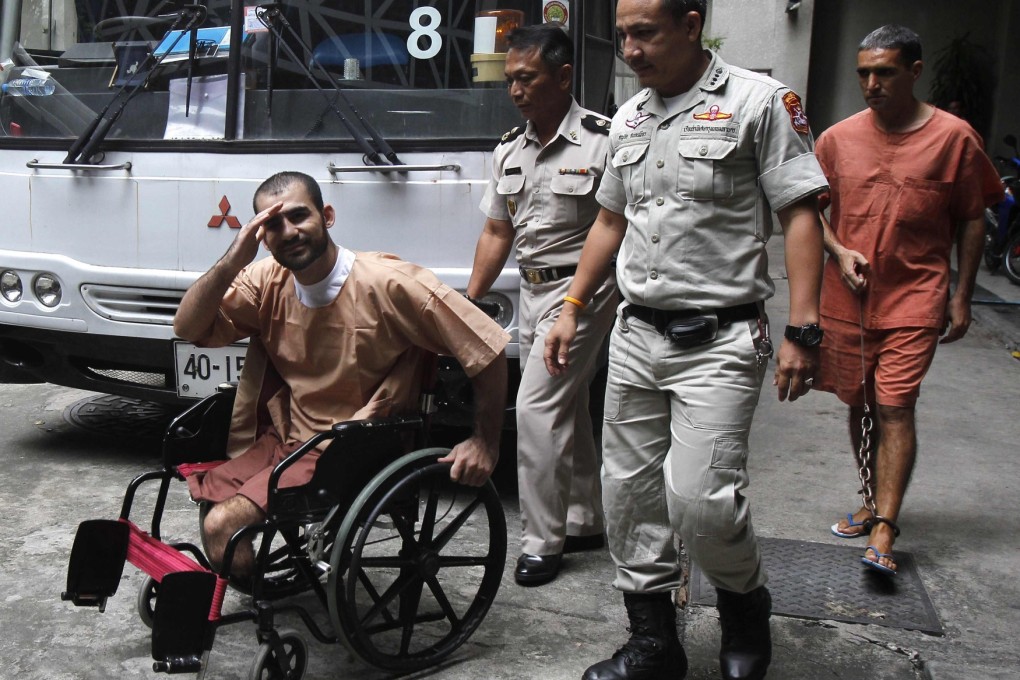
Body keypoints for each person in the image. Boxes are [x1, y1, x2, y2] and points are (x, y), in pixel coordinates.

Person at [543, 1, 828, 678]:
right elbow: (610, 221)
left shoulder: (759, 103)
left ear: (692, 25)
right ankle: (654, 643)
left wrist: (804, 328)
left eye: (646, 32)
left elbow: (798, 215)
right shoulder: (631, 118)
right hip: (636, 334)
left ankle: (743, 609)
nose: (631, 49)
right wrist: (572, 306)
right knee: (630, 497)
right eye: (623, 36)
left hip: (721, 338)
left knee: (702, 501)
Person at [173, 171, 510, 577]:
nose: (289, 231)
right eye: (272, 225)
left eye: (299, 216)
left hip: (353, 447)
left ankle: (262, 610)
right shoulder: (266, 280)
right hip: (288, 438)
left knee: (221, 525)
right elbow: (188, 328)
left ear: (327, 216)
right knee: (210, 497)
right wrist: (232, 261)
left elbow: (487, 348)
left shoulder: (389, 283)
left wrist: (485, 442)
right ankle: (259, 590)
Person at [816, 25, 1003, 577]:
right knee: (859, 402)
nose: (871, 84)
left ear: (915, 72)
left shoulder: (954, 138)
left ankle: (885, 527)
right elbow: (809, 213)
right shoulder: (837, 139)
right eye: (864, 74)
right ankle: (871, 499)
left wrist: (962, 294)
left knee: (895, 405)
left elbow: (972, 216)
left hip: (916, 298)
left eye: (885, 72)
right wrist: (839, 247)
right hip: (847, 297)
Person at [467, 23, 617, 586]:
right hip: (531, 291)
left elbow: (614, 224)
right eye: (509, 80)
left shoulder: (603, 141)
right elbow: (495, 232)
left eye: (526, 79)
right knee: (566, 404)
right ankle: (583, 517)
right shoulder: (509, 149)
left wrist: (577, 301)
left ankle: (541, 540)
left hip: (584, 291)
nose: (515, 90)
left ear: (563, 76)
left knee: (534, 409)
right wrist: (469, 302)